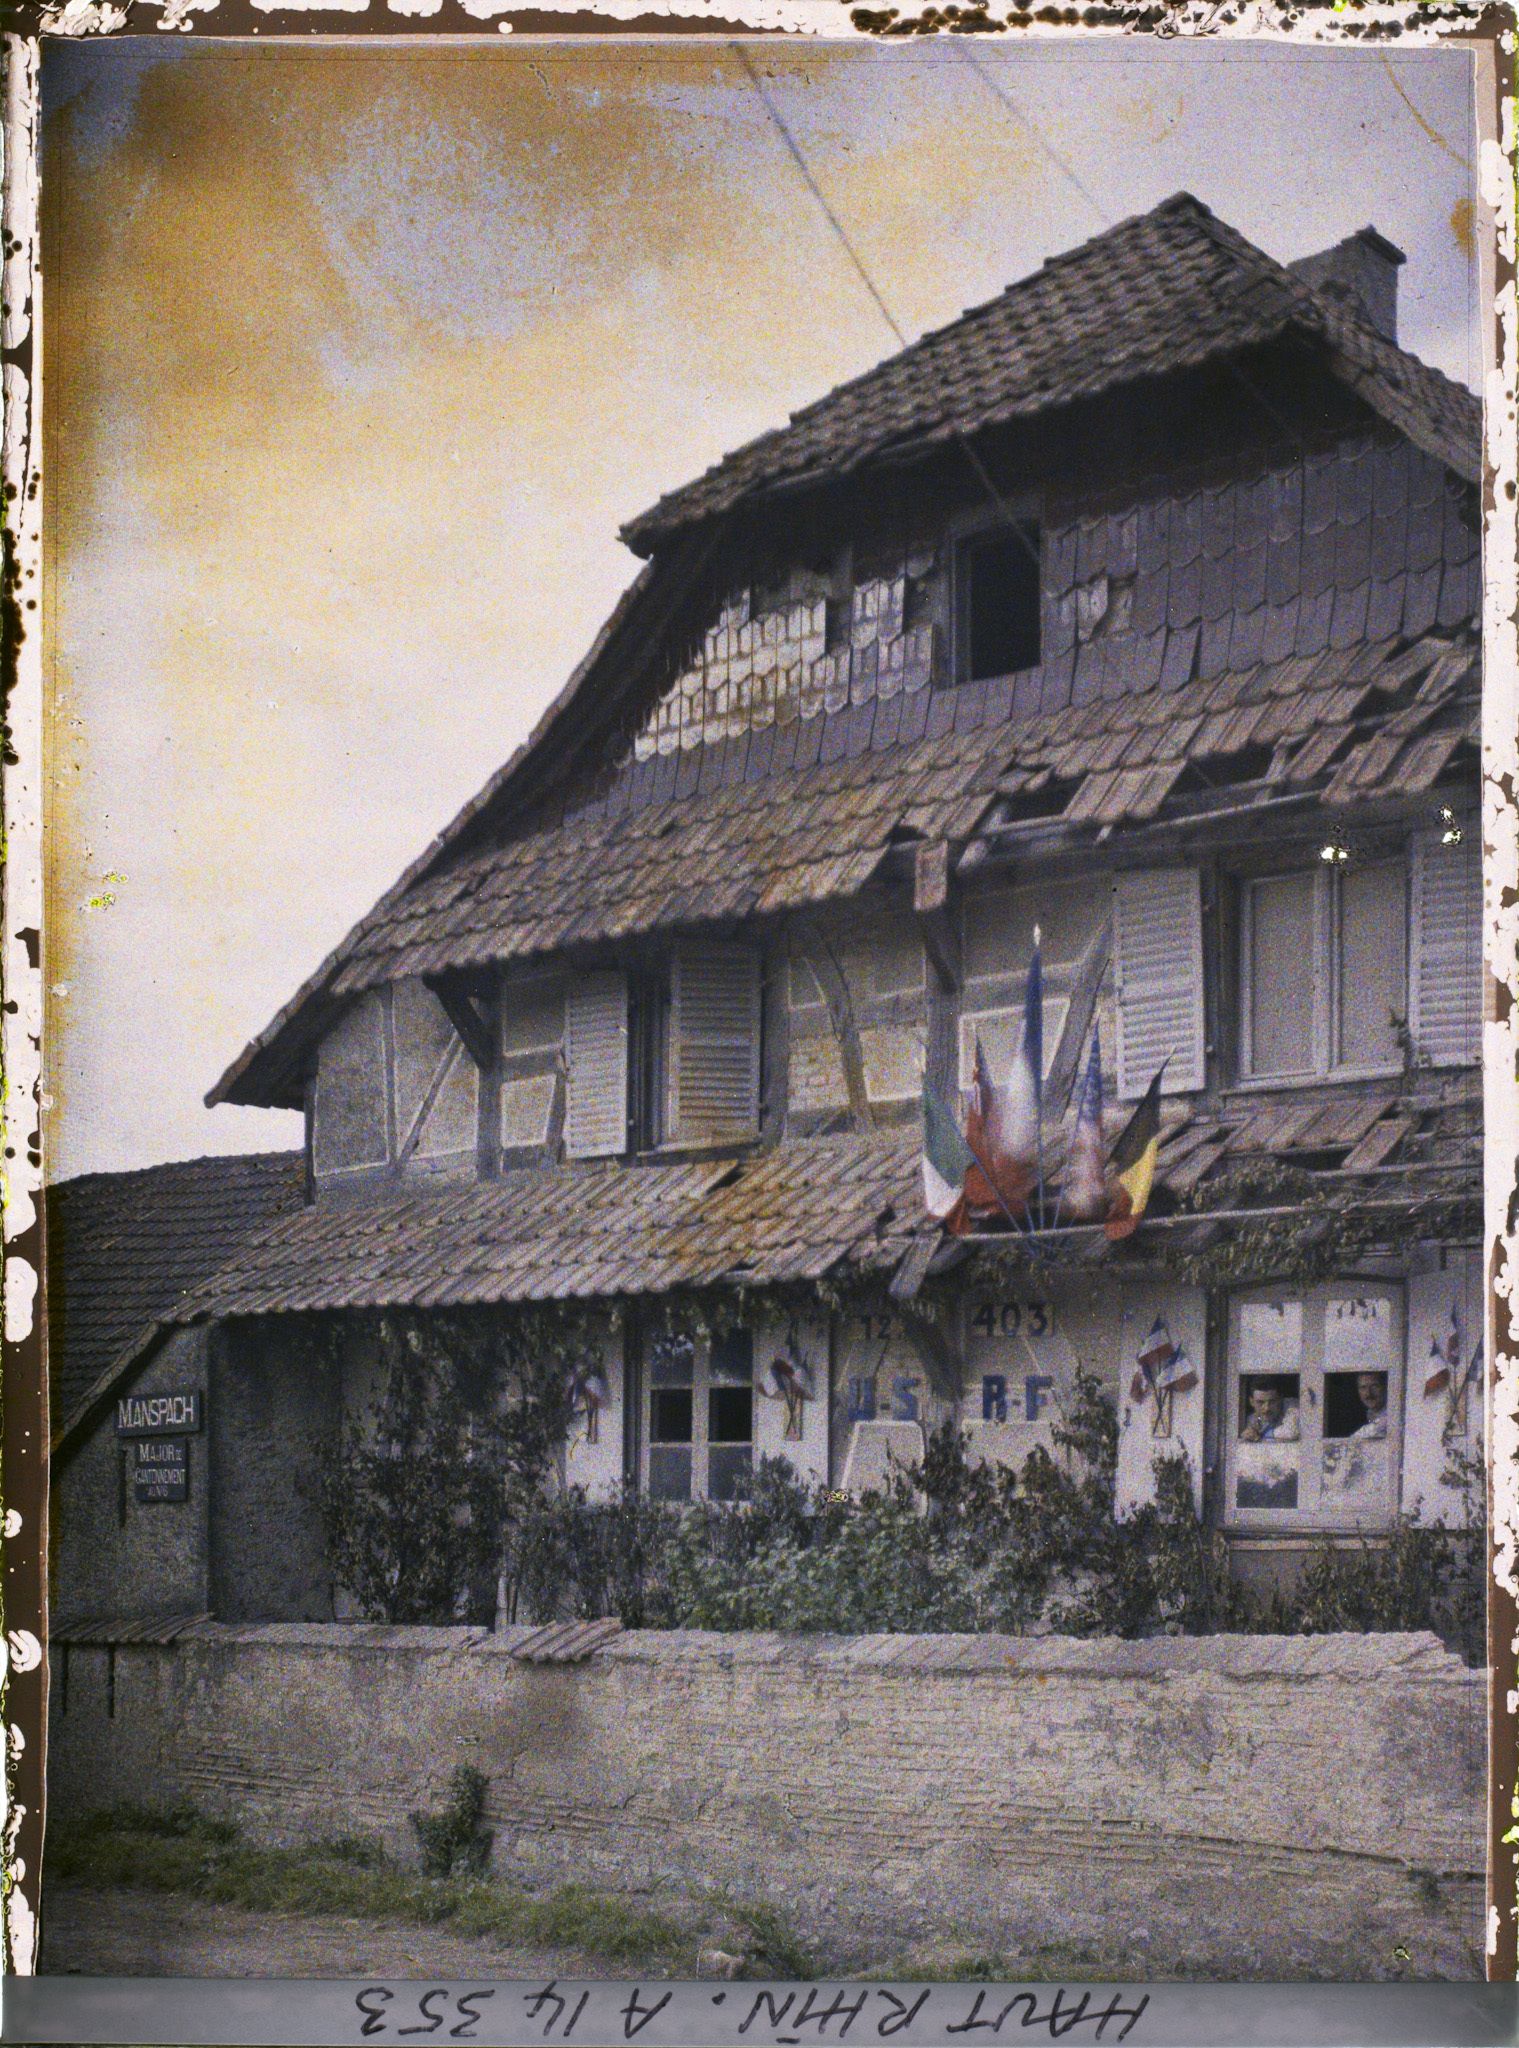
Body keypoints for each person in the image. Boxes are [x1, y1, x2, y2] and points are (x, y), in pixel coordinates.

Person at [1351, 1372, 1388, 1440]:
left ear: (1385, 1387)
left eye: (1374, 1386)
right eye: (1363, 1387)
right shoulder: (1369, 1415)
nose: (1368, 1393)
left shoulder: (1391, 1417)